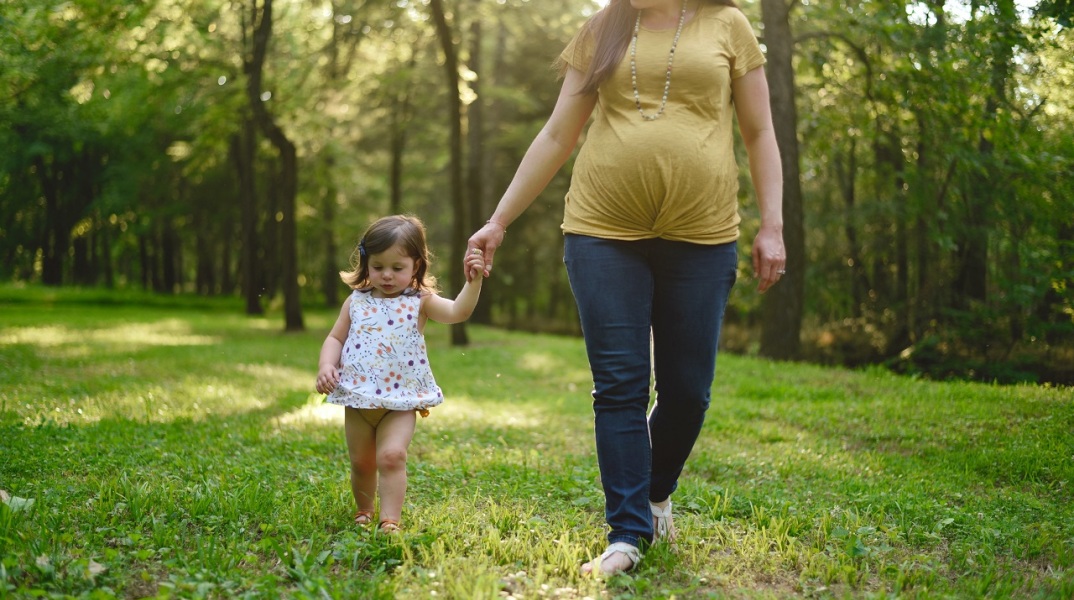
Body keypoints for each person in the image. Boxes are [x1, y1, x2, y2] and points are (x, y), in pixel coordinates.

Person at [465, 0, 785, 575]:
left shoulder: (727, 25)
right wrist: (498, 220)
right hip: (600, 231)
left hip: (704, 232)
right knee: (620, 383)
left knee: (689, 390)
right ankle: (628, 533)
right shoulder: (601, 30)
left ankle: (655, 492)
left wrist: (773, 223)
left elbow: (759, 131)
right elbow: (559, 132)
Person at [317, 214, 486, 533]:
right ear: (366, 263)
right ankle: (364, 510)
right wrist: (327, 365)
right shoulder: (356, 301)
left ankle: (389, 520)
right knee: (362, 463)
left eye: (398, 268)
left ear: (416, 266)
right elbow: (335, 338)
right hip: (359, 399)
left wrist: (473, 282)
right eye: (378, 266)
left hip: (401, 401)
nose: (387, 275)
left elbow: (457, 312)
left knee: (392, 456)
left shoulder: (420, 301)